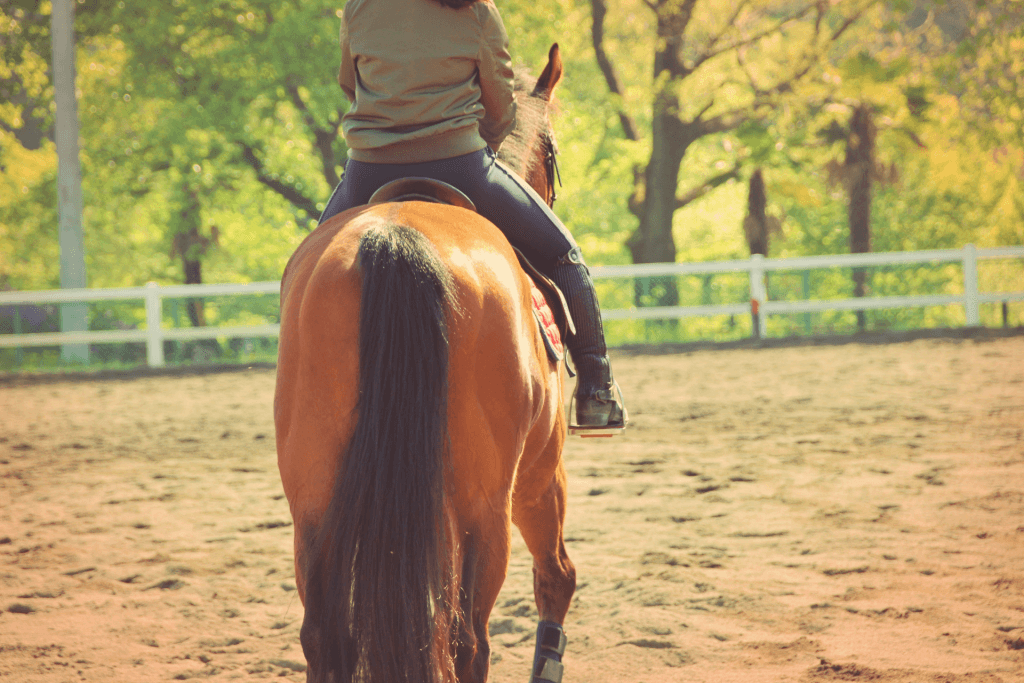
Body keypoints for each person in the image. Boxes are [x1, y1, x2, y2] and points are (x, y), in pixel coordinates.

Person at [319, 0, 624, 429]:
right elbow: (500, 105)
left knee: (310, 267)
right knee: (563, 254)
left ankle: (304, 380)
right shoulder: (477, 10)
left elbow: (350, 85)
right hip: (460, 166)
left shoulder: (359, 7)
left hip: (370, 170)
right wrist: (484, 145)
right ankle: (596, 390)